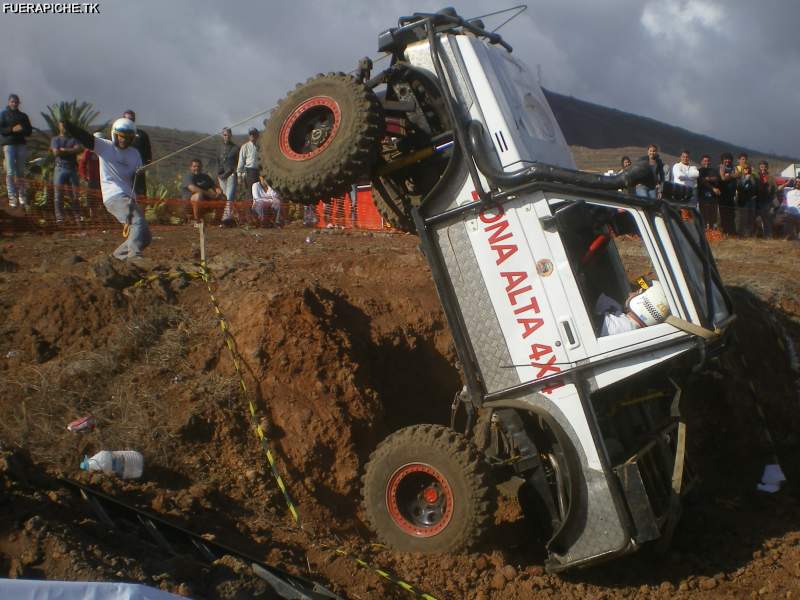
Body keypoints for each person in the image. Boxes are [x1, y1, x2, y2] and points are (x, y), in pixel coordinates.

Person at [64, 117, 151, 261]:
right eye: (121, 136)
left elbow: (140, 180)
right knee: (137, 222)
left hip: (129, 198)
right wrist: (68, 124)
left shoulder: (135, 154)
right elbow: (85, 138)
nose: (124, 140)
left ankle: (115, 259)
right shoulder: (105, 146)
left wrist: (141, 197)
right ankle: (134, 256)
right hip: (114, 196)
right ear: (114, 134)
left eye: (128, 137)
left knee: (145, 236)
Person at [594, 281, 671, 337]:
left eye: (637, 292)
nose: (630, 293)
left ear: (643, 302)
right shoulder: (636, 334)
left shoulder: (607, 325)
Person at [0, 94, 33, 208]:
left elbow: (29, 131)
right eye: (12, 101)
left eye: (16, 102)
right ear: (9, 102)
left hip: (21, 145)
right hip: (9, 145)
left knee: (20, 172)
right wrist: (11, 129)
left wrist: (21, 130)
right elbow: (1, 129)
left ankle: (22, 196)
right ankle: (12, 197)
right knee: (10, 172)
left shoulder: (23, 116)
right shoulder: (3, 114)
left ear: (19, 103)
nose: (14, 103)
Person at [50, 120, 84, 224]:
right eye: (62, 126)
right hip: (60, 169)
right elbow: (56, 152)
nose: (64, 128)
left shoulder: (74, 139)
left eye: (66, 126)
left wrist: (64, 150)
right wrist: (71, 150)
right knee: (58, 194)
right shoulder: (55, 139)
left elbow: (79, 149)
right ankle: (60, 217)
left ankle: (77, 216)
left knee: (75, 194)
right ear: (59, 127)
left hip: (72, 169)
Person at [181, 158, 224, 223]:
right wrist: (208, 194)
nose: (197, 168)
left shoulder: (205, 177)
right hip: (190, 204)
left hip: (206, 202)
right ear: (190, 167)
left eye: (198, 166)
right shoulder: (188, 176)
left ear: (201, 167)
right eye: (194, 166)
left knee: (223, 197)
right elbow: (192, 188)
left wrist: (218, 190)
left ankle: (216, 221)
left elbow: (214, 186)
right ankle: (197, 221)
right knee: (198, 196)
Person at [122, 110, 152, 197]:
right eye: (127, 119)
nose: (129, 121)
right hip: (123, 171)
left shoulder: (142, 135)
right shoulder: (118, 133)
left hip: (138, 171)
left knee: (140, 195)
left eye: (131, 119)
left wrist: (145, 166)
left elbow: (148, 154)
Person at [217, 127, 239, 224]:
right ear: (222, 135)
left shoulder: (236, 148)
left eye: (228, 135)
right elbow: (217, 161)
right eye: (225, 135)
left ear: (231, 135)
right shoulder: (219, 148)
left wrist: (236, 173)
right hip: (221, 176)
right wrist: (218, 174)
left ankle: (225, 219)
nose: (227, 137)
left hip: (231, 174)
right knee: (224, 197)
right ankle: (228, 217)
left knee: (230, 197)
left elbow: (238, 162)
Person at [78, 132, 102, 217]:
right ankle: (92, 217)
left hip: (103, 179)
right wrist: (84, 176)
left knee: (102, 198)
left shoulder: (105, 151)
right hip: (91, 179)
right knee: (91, 198)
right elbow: (82, 164)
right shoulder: (88, 151)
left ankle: (102, 217)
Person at [755, 161, 778, 238]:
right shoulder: (756, 176)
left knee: (767, 219)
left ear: (767, 167)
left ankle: (768, 236)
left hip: (767, 201)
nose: (763, 168)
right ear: (759, 167)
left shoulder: (771, 177)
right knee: (756, 219)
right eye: (761, 166)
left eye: (764, 166)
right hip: (757, 200)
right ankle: (757, 235)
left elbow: (775, 189)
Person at [697, 154, 720, 229]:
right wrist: (712, 187)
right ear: (701, 162)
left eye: (708, 161)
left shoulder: (714, 171)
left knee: (712, 217)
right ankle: (704, 232)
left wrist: (708, 179)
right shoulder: (699, 171)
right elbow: (701, 181)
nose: (706, 162)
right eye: (705, 161)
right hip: (702, 197)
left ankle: (711, 232)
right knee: (703, 216)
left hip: (713, 197)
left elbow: (717, 180)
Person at [735, 164, 757, 237]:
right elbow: (739, 187)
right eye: (745, 168)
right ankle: (741, 233)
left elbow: (754, 187)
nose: (746, 169)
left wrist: (750, 178)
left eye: (748, 168)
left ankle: (749, 233)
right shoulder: (740, 178)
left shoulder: (753, 177)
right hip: (742, 200)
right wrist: (745, 180)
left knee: (750, 217)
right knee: (742, 217)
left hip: (751, 200)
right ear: (743, 170)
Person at [237, 128, 260, 200]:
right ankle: (249, 207)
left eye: (254, 134)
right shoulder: (245, 147)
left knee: (258, 193)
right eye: (251, 134)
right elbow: (241, 161)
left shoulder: (260, 146)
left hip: (260, 172)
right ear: (249, 136)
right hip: (249, 172)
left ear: (257, 135)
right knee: (250, 193)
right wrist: (239, 176)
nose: (252, 136)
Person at [718, 152, 737, 235]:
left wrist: (728, 176)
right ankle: (724, 232)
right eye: (725, 159)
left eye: (729, 159)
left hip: (731, 196)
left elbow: (738, 174)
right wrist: (732, 175)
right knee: (723, 215)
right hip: (723, 195)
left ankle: (731, 232)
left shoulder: (733, 167)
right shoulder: (721, 167)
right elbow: (722, 178)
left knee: (731, 214)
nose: (727, 161)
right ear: (722, 160)